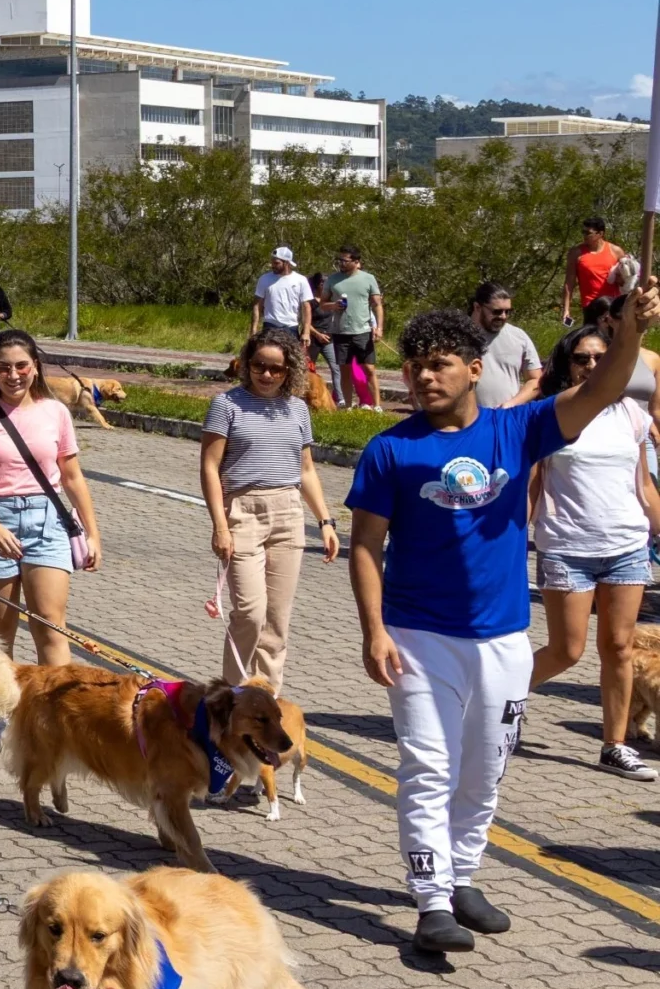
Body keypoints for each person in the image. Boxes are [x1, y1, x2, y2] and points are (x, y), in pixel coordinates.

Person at [346, 286, 658, 954]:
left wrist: (629, 328)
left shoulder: (517, 430)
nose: (425, 376)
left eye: (440, 363)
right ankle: (430, 898)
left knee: (485, 767)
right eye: (414, 365)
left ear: (474, 368)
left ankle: (462, 874)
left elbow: (603, 388)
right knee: (428, 765)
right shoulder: (388, 450)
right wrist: (373, 628)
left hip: (504, 638)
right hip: (418, 636)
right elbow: (367, 545)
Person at [526, 323, 660, 781]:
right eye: (581, 358)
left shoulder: (633, 416)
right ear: (566, 365)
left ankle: (615, 745)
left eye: (600, 358)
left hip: (626, 544)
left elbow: (643, 484)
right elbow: (534, 482)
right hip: (567, 545)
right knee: (568, 650)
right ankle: (498, 702)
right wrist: (506, 540)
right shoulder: (553, 414)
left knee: (619, 647)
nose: (590, 366)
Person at [0, 329, 103, 742]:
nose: (13, 375)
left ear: (35, 367)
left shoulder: (55, 411)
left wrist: (93, 533)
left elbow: (73, 476)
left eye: (21, 366)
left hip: (47, 519)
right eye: (3, 368)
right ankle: (4, 712)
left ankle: (59, 718)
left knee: (51, 628)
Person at [199, 328, 339, 692]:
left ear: (289, 369)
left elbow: (306, 469)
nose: (266, 374)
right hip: (242, 512)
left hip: (288, 513)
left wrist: (324, 520)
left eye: (276, 369)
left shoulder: (297, 408)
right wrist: (220, 526)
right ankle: (231, 695)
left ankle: (266, 702)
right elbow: (210, 467)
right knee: (250, 613)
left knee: (276, 622)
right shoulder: (226, 405)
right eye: (259, 365)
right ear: (247, 365)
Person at [325, 247, 385, 410]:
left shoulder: (368, 278)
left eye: (345, 261)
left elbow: (377, 305)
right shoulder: (333, 279)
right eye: (340, 260)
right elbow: (323, 303)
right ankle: (347, 406)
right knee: (345, 370)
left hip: (363, 331)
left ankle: (377, 406)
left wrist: (379, 328)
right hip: (340, 331)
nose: (341, 264)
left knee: (369, 368)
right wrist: (333, 305)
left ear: (356, 262)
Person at [469, 283, 543, 407]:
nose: (503, 316)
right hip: (465, 421)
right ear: (477, 307)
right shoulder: (457, 336)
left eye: (507, 311)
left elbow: (535, 380)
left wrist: (512, 404)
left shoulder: (519, 336)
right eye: (497, 311)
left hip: (507, 418)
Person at [563, 216, 626, 323]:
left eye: (588, 233)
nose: (584, 236)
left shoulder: (616, 251)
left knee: (613, 339)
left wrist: (621, 279)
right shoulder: (576, 253)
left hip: (613, 305)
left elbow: (626, 280)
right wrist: (566, 310)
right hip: (590, 306)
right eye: (583, 232)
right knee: (591, 338)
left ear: (600, 234)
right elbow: (569, 283)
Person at [252, 246, 314, 343]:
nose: (273, 265)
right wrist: (254, 329)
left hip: (290, 328)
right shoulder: (264, 279)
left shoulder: (300, 280)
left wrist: (306, 332)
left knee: (290, 357)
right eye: (272, 262)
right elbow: (257, 305)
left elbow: (306, 307)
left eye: (276, 263)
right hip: (270, 326)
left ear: (286, 263)